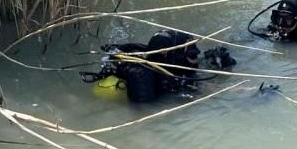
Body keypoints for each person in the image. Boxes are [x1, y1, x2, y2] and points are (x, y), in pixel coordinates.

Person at [81, 29, 236, 102]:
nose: (197, 53)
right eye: (191, 52)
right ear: (170, 55)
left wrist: (220, 62)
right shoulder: (160, 79)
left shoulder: (175, 66)